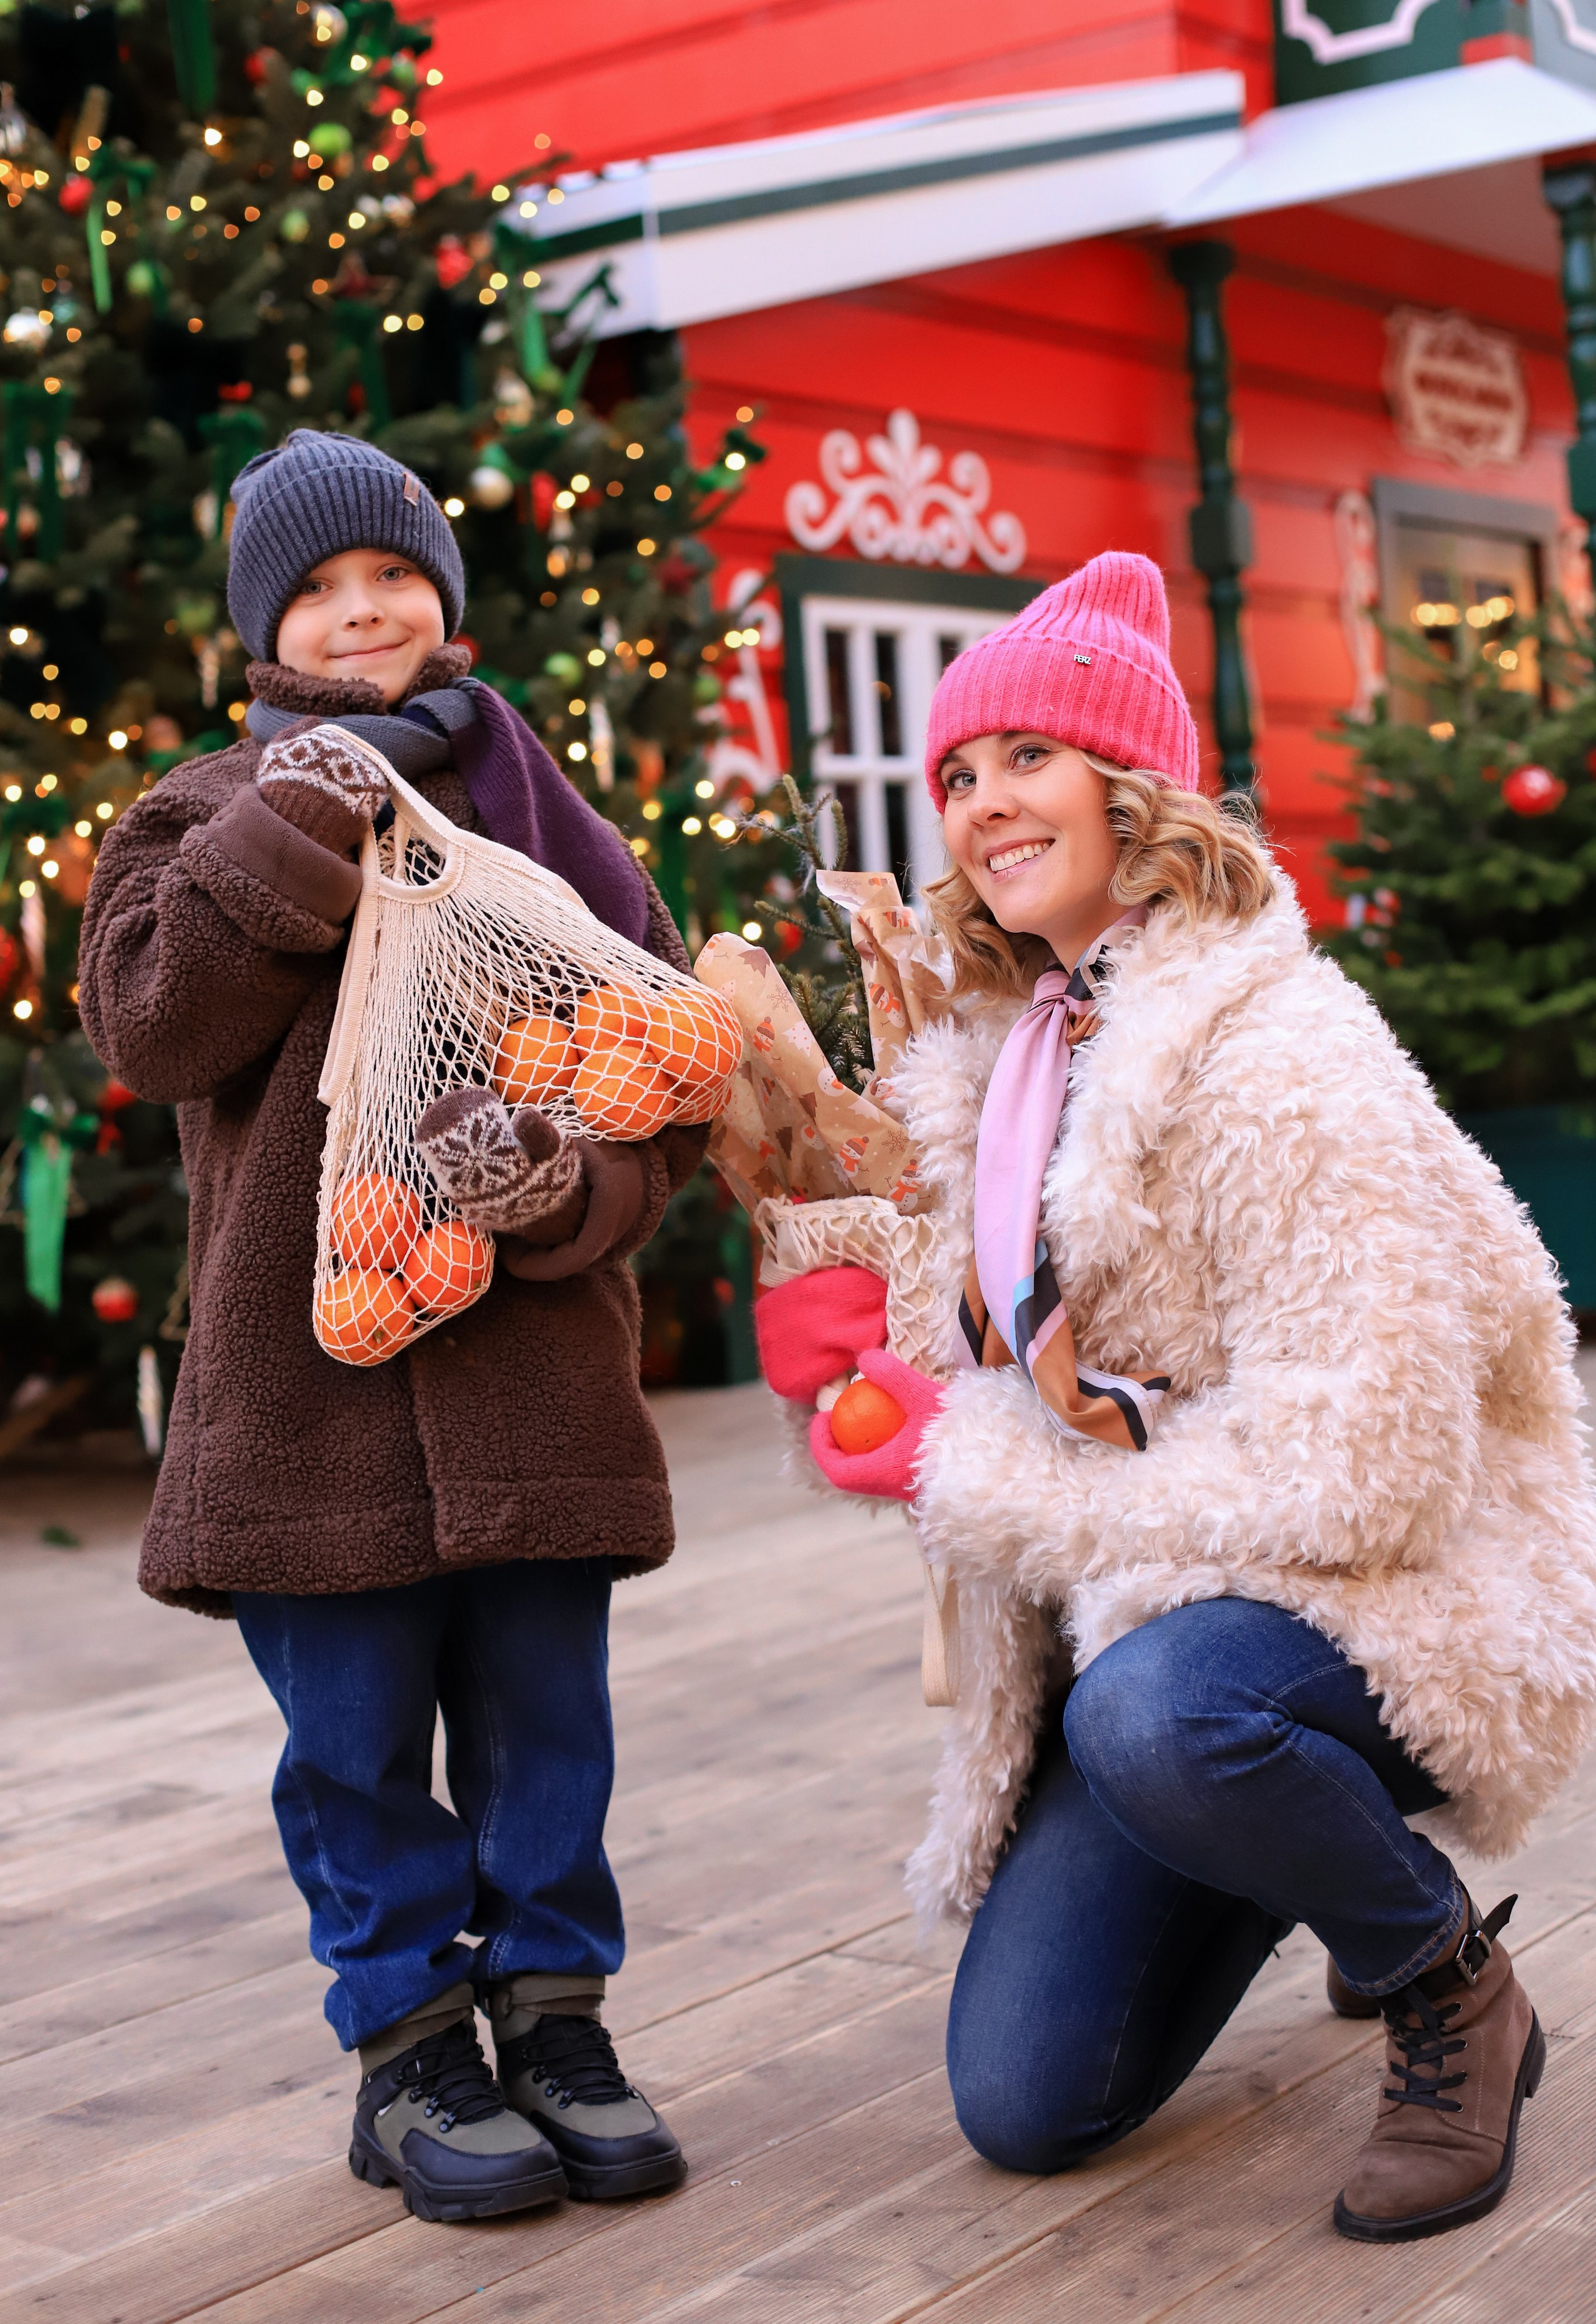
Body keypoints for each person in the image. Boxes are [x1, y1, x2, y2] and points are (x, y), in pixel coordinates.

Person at [756, 552, 1596, 2243]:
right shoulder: (1010, 1056)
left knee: (1159, 1721)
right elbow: (1007, 1372)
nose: (985, 804)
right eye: (961, 773)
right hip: (1160, 1613)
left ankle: (1445, 1981)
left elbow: (1375, 1465)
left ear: (1133, 789)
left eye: (1029, 760)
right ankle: (1290, 1841)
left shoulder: (1287, 1057)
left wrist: (975, 1458)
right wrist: (852, 1340)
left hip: (1390, 1591)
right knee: (1025, 2103)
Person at [79, 431, 698, 2224]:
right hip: (307, 1393)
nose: (366, 614)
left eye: (393, 578)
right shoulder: (194, 814)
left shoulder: (547, 814)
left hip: (529, 1372)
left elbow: (652, 1079)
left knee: (543, 1726)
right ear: (263, 625)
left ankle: (559, 2018)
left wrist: (565, 1195)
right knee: (352, 1743)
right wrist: (307, 813)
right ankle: (413, 2046)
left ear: (444, 589)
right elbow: (154, 1024)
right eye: (320, 591)